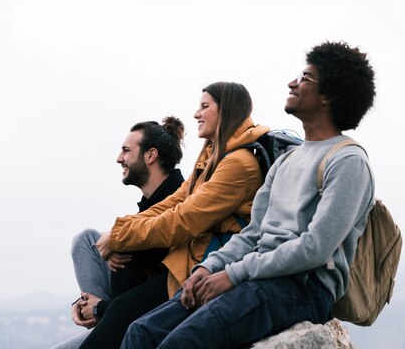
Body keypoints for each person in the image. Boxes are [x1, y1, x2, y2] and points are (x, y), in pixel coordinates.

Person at [120, 41, 378, 349]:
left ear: (328, 96)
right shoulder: (285, 160)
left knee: (183, 342)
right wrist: (208, 268)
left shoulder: (347, 161)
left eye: (306, 78)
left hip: (301, 287)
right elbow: (254, 232)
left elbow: (315, 248)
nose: (292, 83)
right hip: (256, 276)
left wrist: (233, 274)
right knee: (141, 332)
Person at [79, 81, 270, 349]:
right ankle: (103, 317)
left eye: (205, 107)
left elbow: (184, 220)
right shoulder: (214, 156)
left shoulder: (239, 164)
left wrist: (120, 238)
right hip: (189, 261)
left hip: (208, 266)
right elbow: (174, 202)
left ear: (226, 111)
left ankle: (103, 316)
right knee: (98, 249)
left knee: (128, 318)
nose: (196, 114)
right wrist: (119, 233)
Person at [51, 117, 185, 349]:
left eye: (126, 151)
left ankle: (102, 315)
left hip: (145, 311)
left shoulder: (177, 201)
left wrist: (118, 243)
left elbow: (156, 290)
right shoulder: (149, 204)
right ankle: (94, 311)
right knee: (86, 239)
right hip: (122, 303)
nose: (118, 158)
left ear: (151, 156)